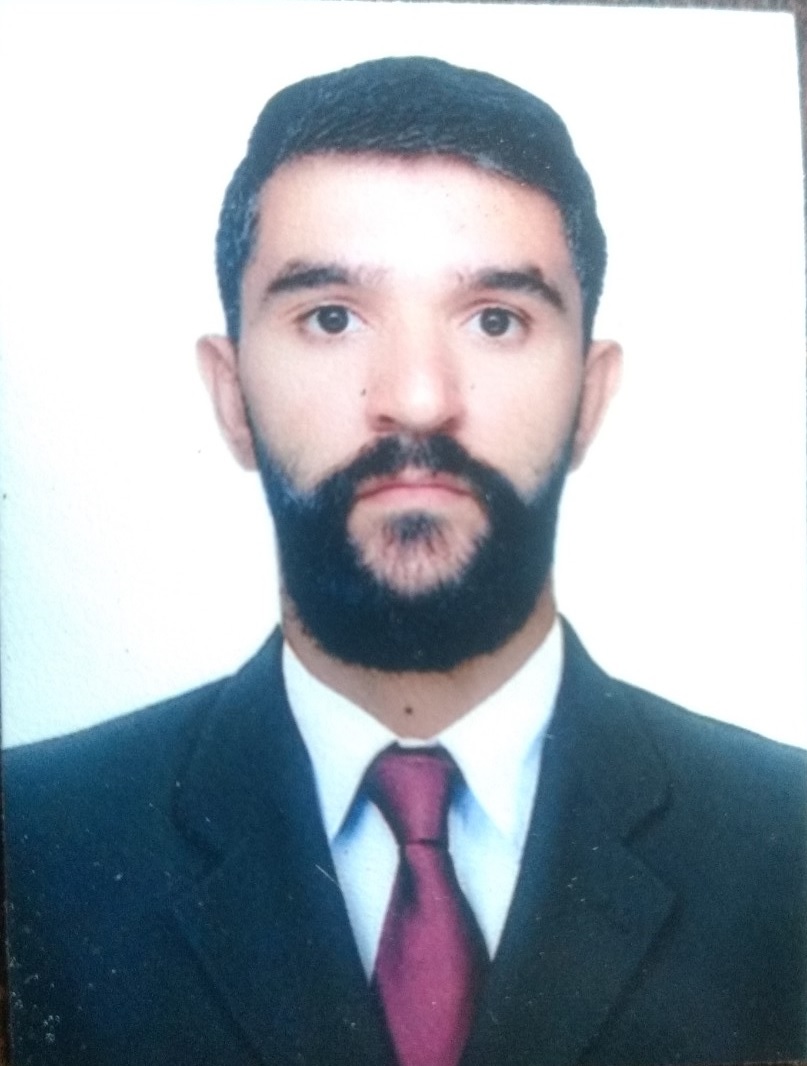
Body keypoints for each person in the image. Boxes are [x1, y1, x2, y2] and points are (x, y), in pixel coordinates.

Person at [3, 56, 805, 1066]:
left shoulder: (790, 843)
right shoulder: (28, 846)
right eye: (331, 316)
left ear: (590, 396)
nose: (418, 399)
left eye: (496, 319)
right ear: (232, 395)